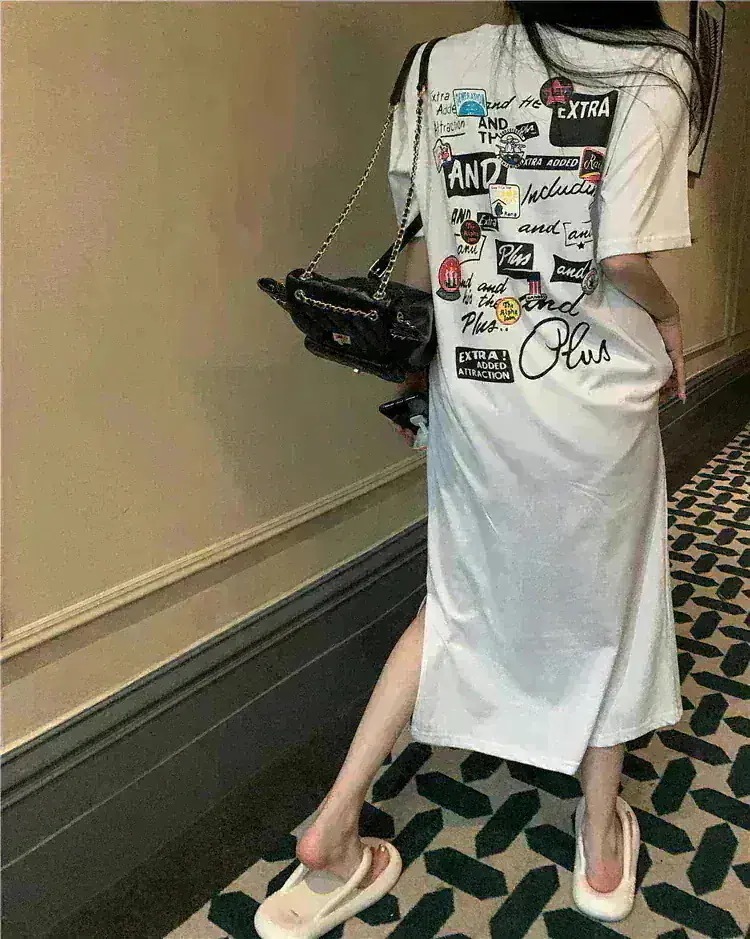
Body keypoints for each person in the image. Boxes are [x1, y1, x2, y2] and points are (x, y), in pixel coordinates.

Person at [254, 2, 705, 935]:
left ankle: (335, 824)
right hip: (595, 395)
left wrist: (422, 375)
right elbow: (623, 253)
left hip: (480, 388)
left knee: (457, 594)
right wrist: (668, 318)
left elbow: (428, 242)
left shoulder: (435, 64)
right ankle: (601, 843)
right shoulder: (657, 67)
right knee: (615, 601)